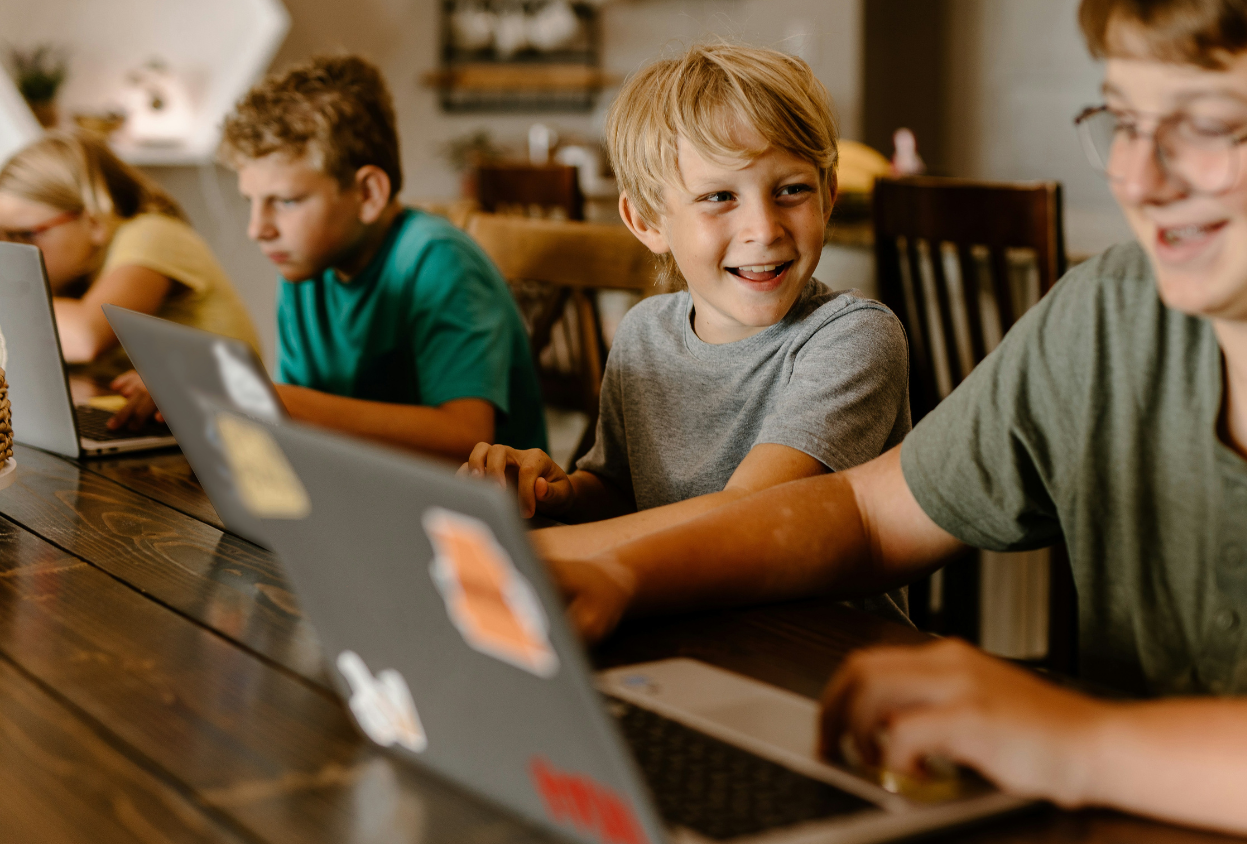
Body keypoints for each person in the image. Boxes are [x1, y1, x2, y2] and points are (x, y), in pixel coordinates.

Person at [538, 2, 1247, 841]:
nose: (1139, 178)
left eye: (1205, 125)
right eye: (1122, 119)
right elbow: (868, 516)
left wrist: (1077, 741)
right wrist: (613, 568)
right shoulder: (1111, 313)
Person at [464, 44, 911, 620]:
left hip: (821, 658)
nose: (763, 228)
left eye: (791, 190)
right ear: (647, 221)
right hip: (680, 627)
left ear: (827, 197)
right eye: (719, 196)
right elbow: (623, 489)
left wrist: (521, 553)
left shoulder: (853, 339)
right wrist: (561, 493)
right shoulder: (643, 333)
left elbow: (746, 517)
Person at [211, 55, 546, 461]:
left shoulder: (438, 260)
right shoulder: (303, 268)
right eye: (252, 202)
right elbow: (303, 425)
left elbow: (467, 435)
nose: (258, 229)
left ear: (368, 194)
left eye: (285, 201)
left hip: (491, 511)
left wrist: (285, 403)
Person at [0, 129, 261, 421]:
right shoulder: (74, 276)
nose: (14, 250)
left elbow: (86, 336)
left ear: (93, 220)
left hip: (233, 428)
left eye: (26, 233)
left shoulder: (153, 232)